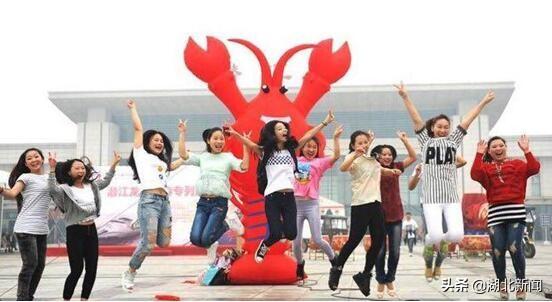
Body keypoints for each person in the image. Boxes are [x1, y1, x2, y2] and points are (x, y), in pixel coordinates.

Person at [396, 82, 494, 271]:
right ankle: (429, 239)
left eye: (446, 127)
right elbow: (416, 120)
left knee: (456, 236)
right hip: (431, 198)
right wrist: (405, 97)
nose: (443, 130)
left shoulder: (453, 140)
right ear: (432, 128)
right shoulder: (425, 142)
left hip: (451, 198)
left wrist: (483, 102)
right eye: (439, 127)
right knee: (437, 235)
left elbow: (467, 120)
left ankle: (430, 239)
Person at [226, 110, 335, 263]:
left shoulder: (291, 149)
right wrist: (235, 134)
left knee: (291, 234)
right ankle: (265, 245)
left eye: (285, 128)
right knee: (276, 233)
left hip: (289, 196)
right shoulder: (264, 152)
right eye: (279, 128)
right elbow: (249, 143)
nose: (284, 130)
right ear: (272, 133)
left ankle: (278, 234)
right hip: (272, 196)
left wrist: (325, 122)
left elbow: (308, 135)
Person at [121, 100, 187, 291]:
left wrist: (182, 134)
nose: (159, 142)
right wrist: (133, 109)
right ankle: (130, 271)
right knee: (148, 244)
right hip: (149, 200)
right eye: (156, 140)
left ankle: (141, 222)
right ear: (148, 142)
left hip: (164, 202)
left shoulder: (161, 162)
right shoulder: (141, 154)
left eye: (161, 141)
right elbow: (138, 128)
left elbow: (173, 165)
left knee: (164, 242)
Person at [328, 130, 402, 297]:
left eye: (365, 142)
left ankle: (365, 275)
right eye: (359, 143)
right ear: (353, 145)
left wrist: (392, 172)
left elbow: (380, 170)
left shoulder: (373, 160)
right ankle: (337, 268)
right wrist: (355, 154)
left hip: (375, 204)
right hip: (360, 204)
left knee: (379, 240)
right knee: (354, 240)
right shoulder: (354, 159)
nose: (363, 145)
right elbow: (343, 167)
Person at [470, 135, 540, 300]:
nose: (498, 149)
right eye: (494, 147)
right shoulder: (486, 168)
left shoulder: (517, 164)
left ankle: (521, 285)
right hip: (495, 213)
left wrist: (527, 151)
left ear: (505, 147)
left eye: (501, 145)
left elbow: (534, 168)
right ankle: (502, 284)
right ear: (489, 150)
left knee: (515, 248)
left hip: (515, 211)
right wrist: (479, 154)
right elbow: (475, 174)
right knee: (497, 251)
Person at [48, 152, 120, 300]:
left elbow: (105, 181)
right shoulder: (65, 189)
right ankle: (66, 299)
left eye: (82, 168)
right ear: (69, 171)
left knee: (92, 269)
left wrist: (113, 165)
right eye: (77, 168)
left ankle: (84, 299)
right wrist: (52, 169)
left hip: (91, 230)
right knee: (76, 269)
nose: (81, 170)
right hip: (75, 230)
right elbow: (52, 190)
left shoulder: (91, 185)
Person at [178, 121, 249, 264]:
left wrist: (245, 145)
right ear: (208, 141)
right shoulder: (203, 157)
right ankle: (212, 243)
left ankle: (228, 223)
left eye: (221, 138)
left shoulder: (227, 157)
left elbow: (244, 167)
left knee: (205, 239)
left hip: (219, 204)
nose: (219, 141)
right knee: (195, 239)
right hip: (203, 203)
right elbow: (183, 155)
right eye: (215, 138)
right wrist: (182, 133)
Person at [292, 124, 343, 280]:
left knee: (318, 239)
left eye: (314, 147)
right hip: (296, 205)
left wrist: (335, 139)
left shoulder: (320, 163)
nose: (311, 149)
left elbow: (336, 156)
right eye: (308, 146)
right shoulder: (294, 159)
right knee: (295, 242)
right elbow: (297, 145)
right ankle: (300, 264)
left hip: (312, 205)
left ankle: (334, 259)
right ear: (303, 147)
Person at [1, 148, 51, 301]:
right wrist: (2, 190)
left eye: (36, 156)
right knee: (30, 264)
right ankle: (22, 298)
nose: (34, 160)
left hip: (42, 229)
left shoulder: (50, 177)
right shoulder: (25, 177)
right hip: (25, 228)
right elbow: (12, 193)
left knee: (40, 266)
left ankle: (28, 296)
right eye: (29, 158)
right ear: (26, 163)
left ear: (42, 159)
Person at [371, 131, 417, 298]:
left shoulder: (397, 167)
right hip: (377, 216)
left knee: (395, 251)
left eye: (390, 154)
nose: (387, 157)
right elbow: (364, 160)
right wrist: (369, 142)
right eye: (384, 154)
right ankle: (380, 280)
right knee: (380, 251)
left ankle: (390, 279)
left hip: (396, 215)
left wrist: (405, 140)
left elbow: (413, 157)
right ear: (378, 156)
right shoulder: (374, 167)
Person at [408, 156, 467, 282]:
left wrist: (446, 151)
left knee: (444, 240)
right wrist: (417, 174)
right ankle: (429, 266)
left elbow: (463, 161)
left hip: (448, 205)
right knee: (432, 238)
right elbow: (410, 186)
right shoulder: (422, 166)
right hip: (429, 205)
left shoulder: (447, 165)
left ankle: (438, 266)